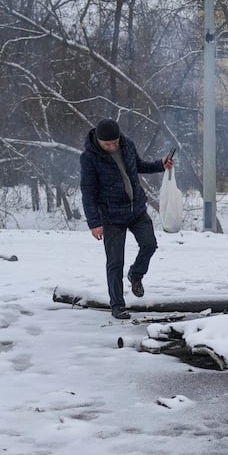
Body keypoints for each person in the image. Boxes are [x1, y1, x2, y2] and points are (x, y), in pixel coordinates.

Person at [79, 118, 174, 319]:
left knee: (149, 245)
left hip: (136, 209)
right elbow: (88, 191)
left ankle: (136, 275)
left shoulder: (127, 144)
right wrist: (94, 222)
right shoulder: (89, 158)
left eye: (115, 142)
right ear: (98, 140)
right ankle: (117, 305)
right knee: (115, 262)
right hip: (111, 216)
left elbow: (137, 166)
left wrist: (160, 164)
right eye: (108, 144)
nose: (113, 147)